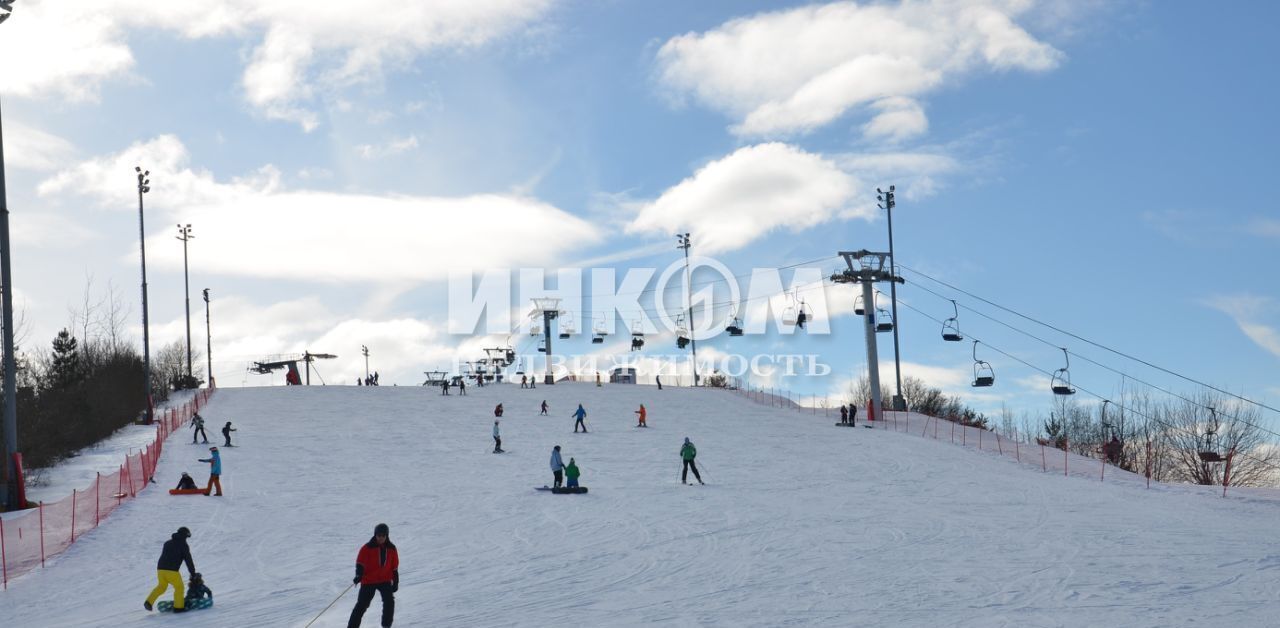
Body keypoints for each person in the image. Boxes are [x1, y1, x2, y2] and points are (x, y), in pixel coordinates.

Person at [348, 523, 398, 628]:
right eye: (378, 535)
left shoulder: (392, 549)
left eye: (383, 535)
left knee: (389, 602)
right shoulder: (367, 548)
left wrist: (395, 581)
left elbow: (394, 567)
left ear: (387, 536)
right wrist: (359, 575)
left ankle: (386, 626)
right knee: (361, 605)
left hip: (384, 580)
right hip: (369, 580)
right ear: (375, 535)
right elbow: (360, 563)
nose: (380, 538)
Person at [144, 527, 195, 612]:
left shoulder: (167, 543)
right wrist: (193, 573)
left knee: (161, 586)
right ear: (185, 535)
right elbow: (188, 560)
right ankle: (178, 607)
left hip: (160, 569)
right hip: (172, 571)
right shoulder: (184, 545)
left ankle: (148, 602)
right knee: (179, 587)